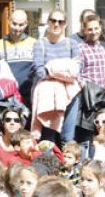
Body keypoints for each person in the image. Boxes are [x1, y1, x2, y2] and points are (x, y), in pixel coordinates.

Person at [31, 10, 81, 144]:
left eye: (61, 21)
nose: (57, 24)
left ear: (65, 24)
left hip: (70, 95)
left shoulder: (72, 44)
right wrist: (66, 66)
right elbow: (40, 72)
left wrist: (50, 68)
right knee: (48, 140)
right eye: (53, 20)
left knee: (67, 139)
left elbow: (76, 71)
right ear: (48, 22)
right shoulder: (39, 44)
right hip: (49, 97)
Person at [0, 10, 36, 105]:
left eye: (21, 25)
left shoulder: (35, 44)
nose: (17, 28)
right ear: (9, 21)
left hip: (28, 96)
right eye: (14, 24)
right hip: (7, 97)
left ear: (26, 24)